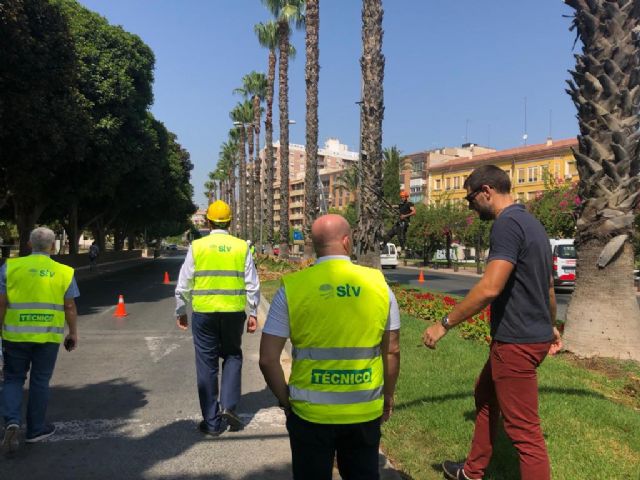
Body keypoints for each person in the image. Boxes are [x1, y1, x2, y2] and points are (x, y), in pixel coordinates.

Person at [422, 165, 562, 480]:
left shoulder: (506, 224)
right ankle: (472, 471)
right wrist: (550, 326)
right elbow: (548, 289)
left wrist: (444, 324)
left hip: (516, 341)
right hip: (533, 335)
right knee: (485, 393)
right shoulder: (533, 224)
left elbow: (489, 288)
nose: (470, 207)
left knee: (525, 433)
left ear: (486, 191)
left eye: (470, 199)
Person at [259, 214, 401, 480]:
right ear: (347, 242)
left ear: (315, 244)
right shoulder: (379, 285)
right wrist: (389, 395)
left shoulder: (292, 287)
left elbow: (267, 359)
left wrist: (287, 401)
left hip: (309, 413)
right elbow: (392, 350)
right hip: (363, 410)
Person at [175, 200, 260, 436]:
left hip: (204, 313)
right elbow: (252, 283)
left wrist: (181, 311)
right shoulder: (241, 247)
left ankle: (212, 423)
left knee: (206, 363)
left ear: (208, 222)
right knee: (232, 355)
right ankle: (229, 406)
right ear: (230, 222)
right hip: (233, 313)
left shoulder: (198, 246)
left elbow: (184, 283)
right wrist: (253, 311)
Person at [0, 227, 79, 456]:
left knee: (13, 379)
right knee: (40, 380)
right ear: (53, 246)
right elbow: (69, 306)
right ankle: (35, 430)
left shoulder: (9, 267)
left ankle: (12, 421)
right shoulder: (64, 271)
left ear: (28, 244)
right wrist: (73, 333)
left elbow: (1, 303)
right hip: (47, 336)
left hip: (14, 335)